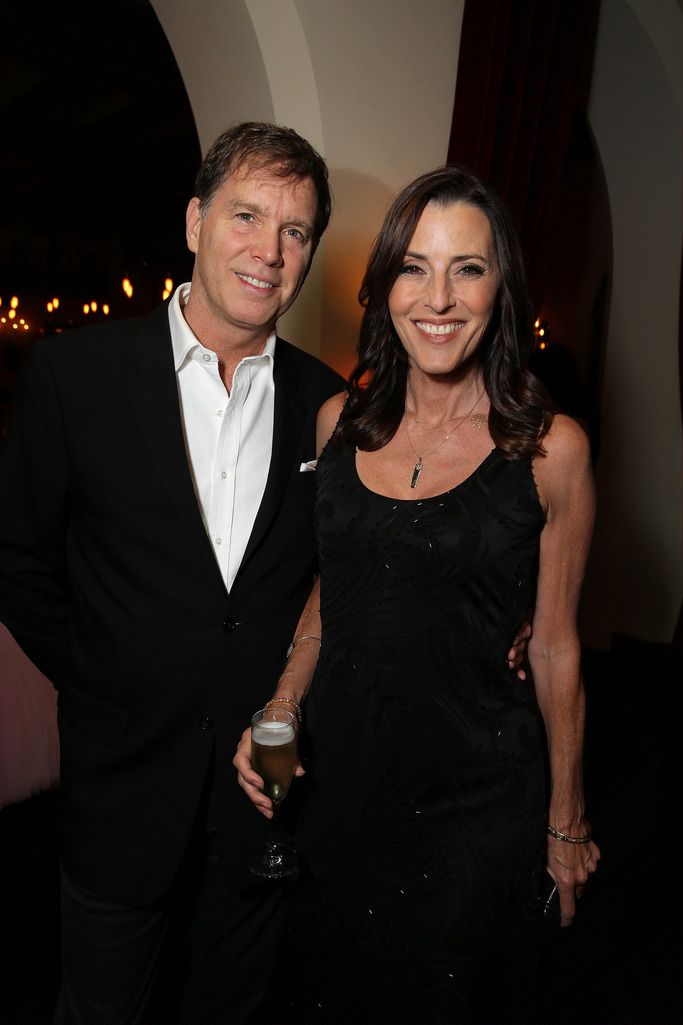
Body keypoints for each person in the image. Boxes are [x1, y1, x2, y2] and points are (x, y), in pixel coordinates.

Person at [235, 165, 600, 1024]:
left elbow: (553, 646)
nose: (438, 297)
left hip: (473, 817)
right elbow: (337, 587)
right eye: (414, 266)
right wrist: (281, 702)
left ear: (500, 283)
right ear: (385, 283)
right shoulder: (340, 422)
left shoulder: (552, 451)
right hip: (338, 799)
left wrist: (566, 820)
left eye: (466, 268)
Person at [0, 122, 346, 1025]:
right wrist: (98, 672)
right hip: (119, 782)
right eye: (246, 215)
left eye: (296, 230)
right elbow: (17, 557)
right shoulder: (78, 374)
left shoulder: (329, 403)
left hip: (264, 785)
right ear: (195, 220)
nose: (268, 251)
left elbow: (342, 577)